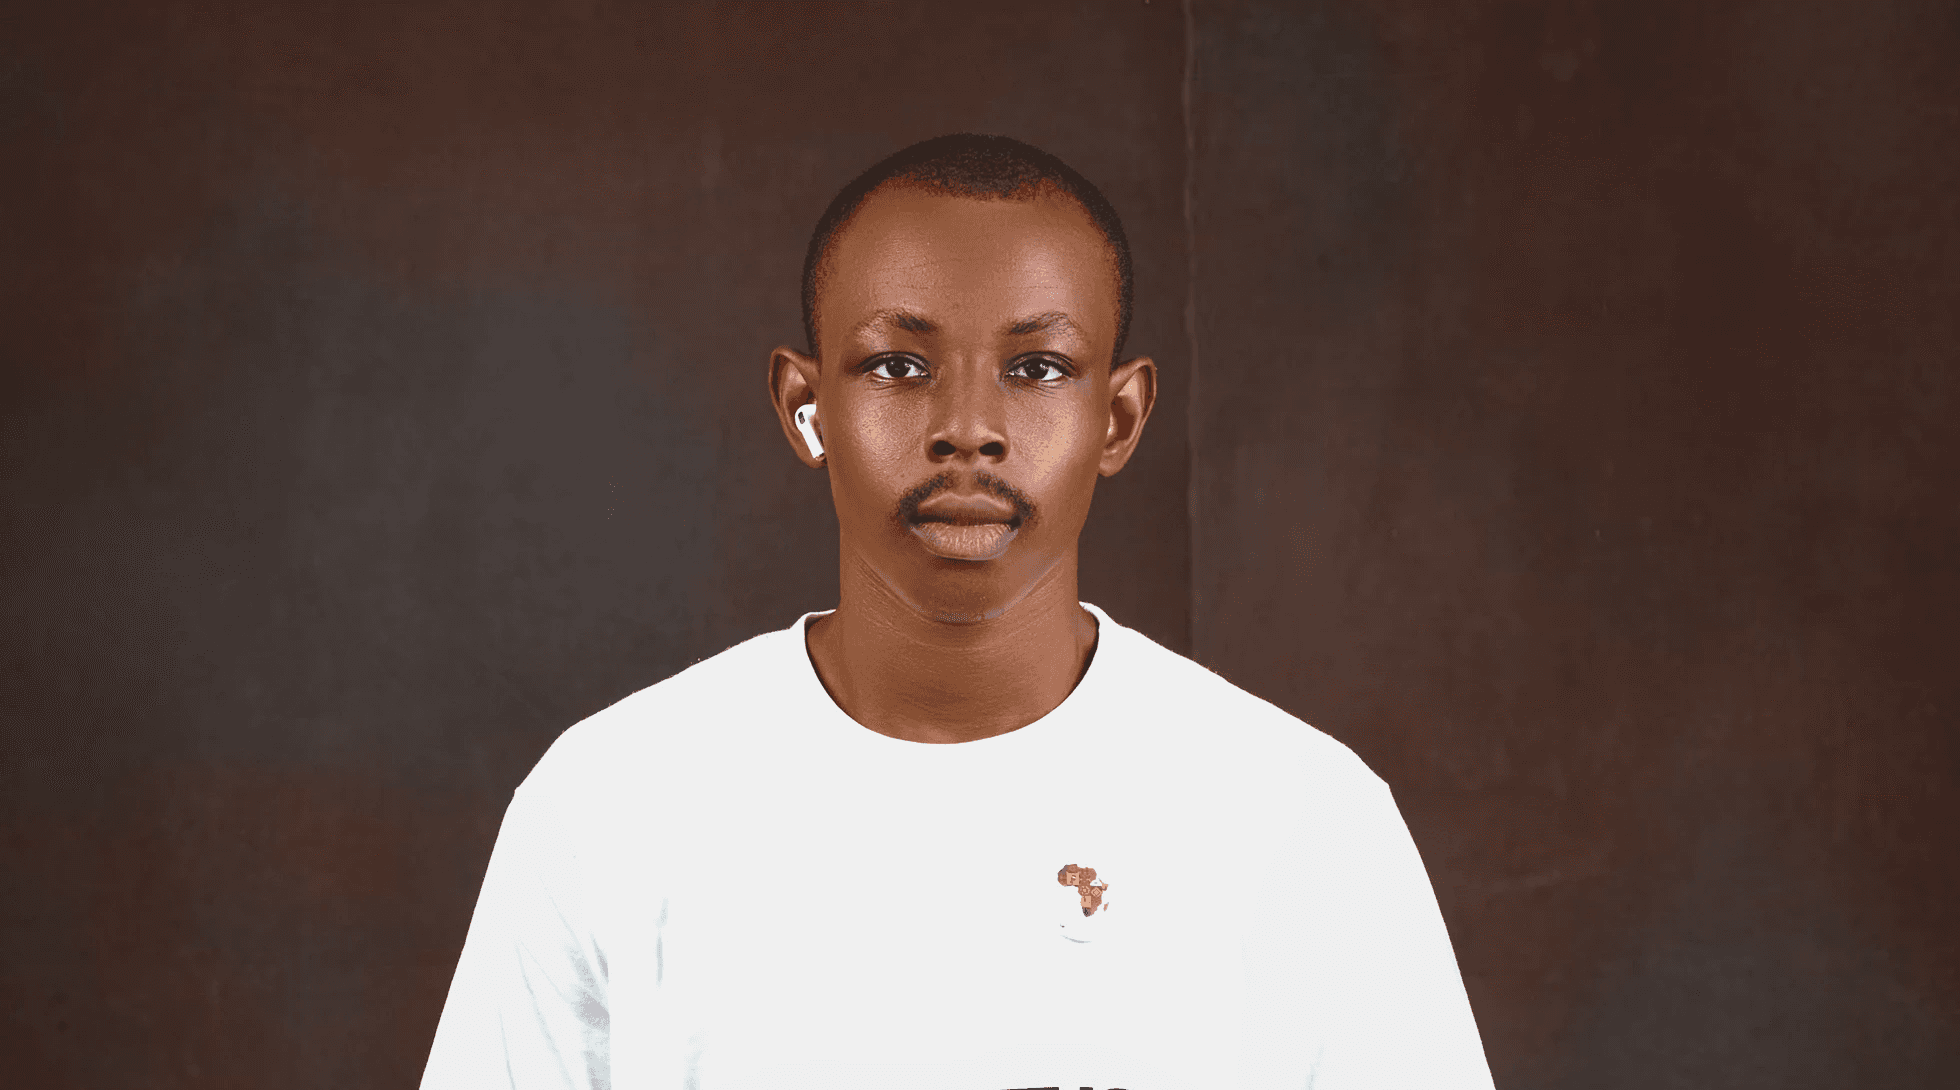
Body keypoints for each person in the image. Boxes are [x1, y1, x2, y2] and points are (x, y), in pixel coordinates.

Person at [420, 134, 1494, 1090]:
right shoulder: (611, 804)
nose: (968, 427)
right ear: (806, 406)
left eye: (1037, 368)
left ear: (1118, 418)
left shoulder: (1300, 820)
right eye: (899, 365)